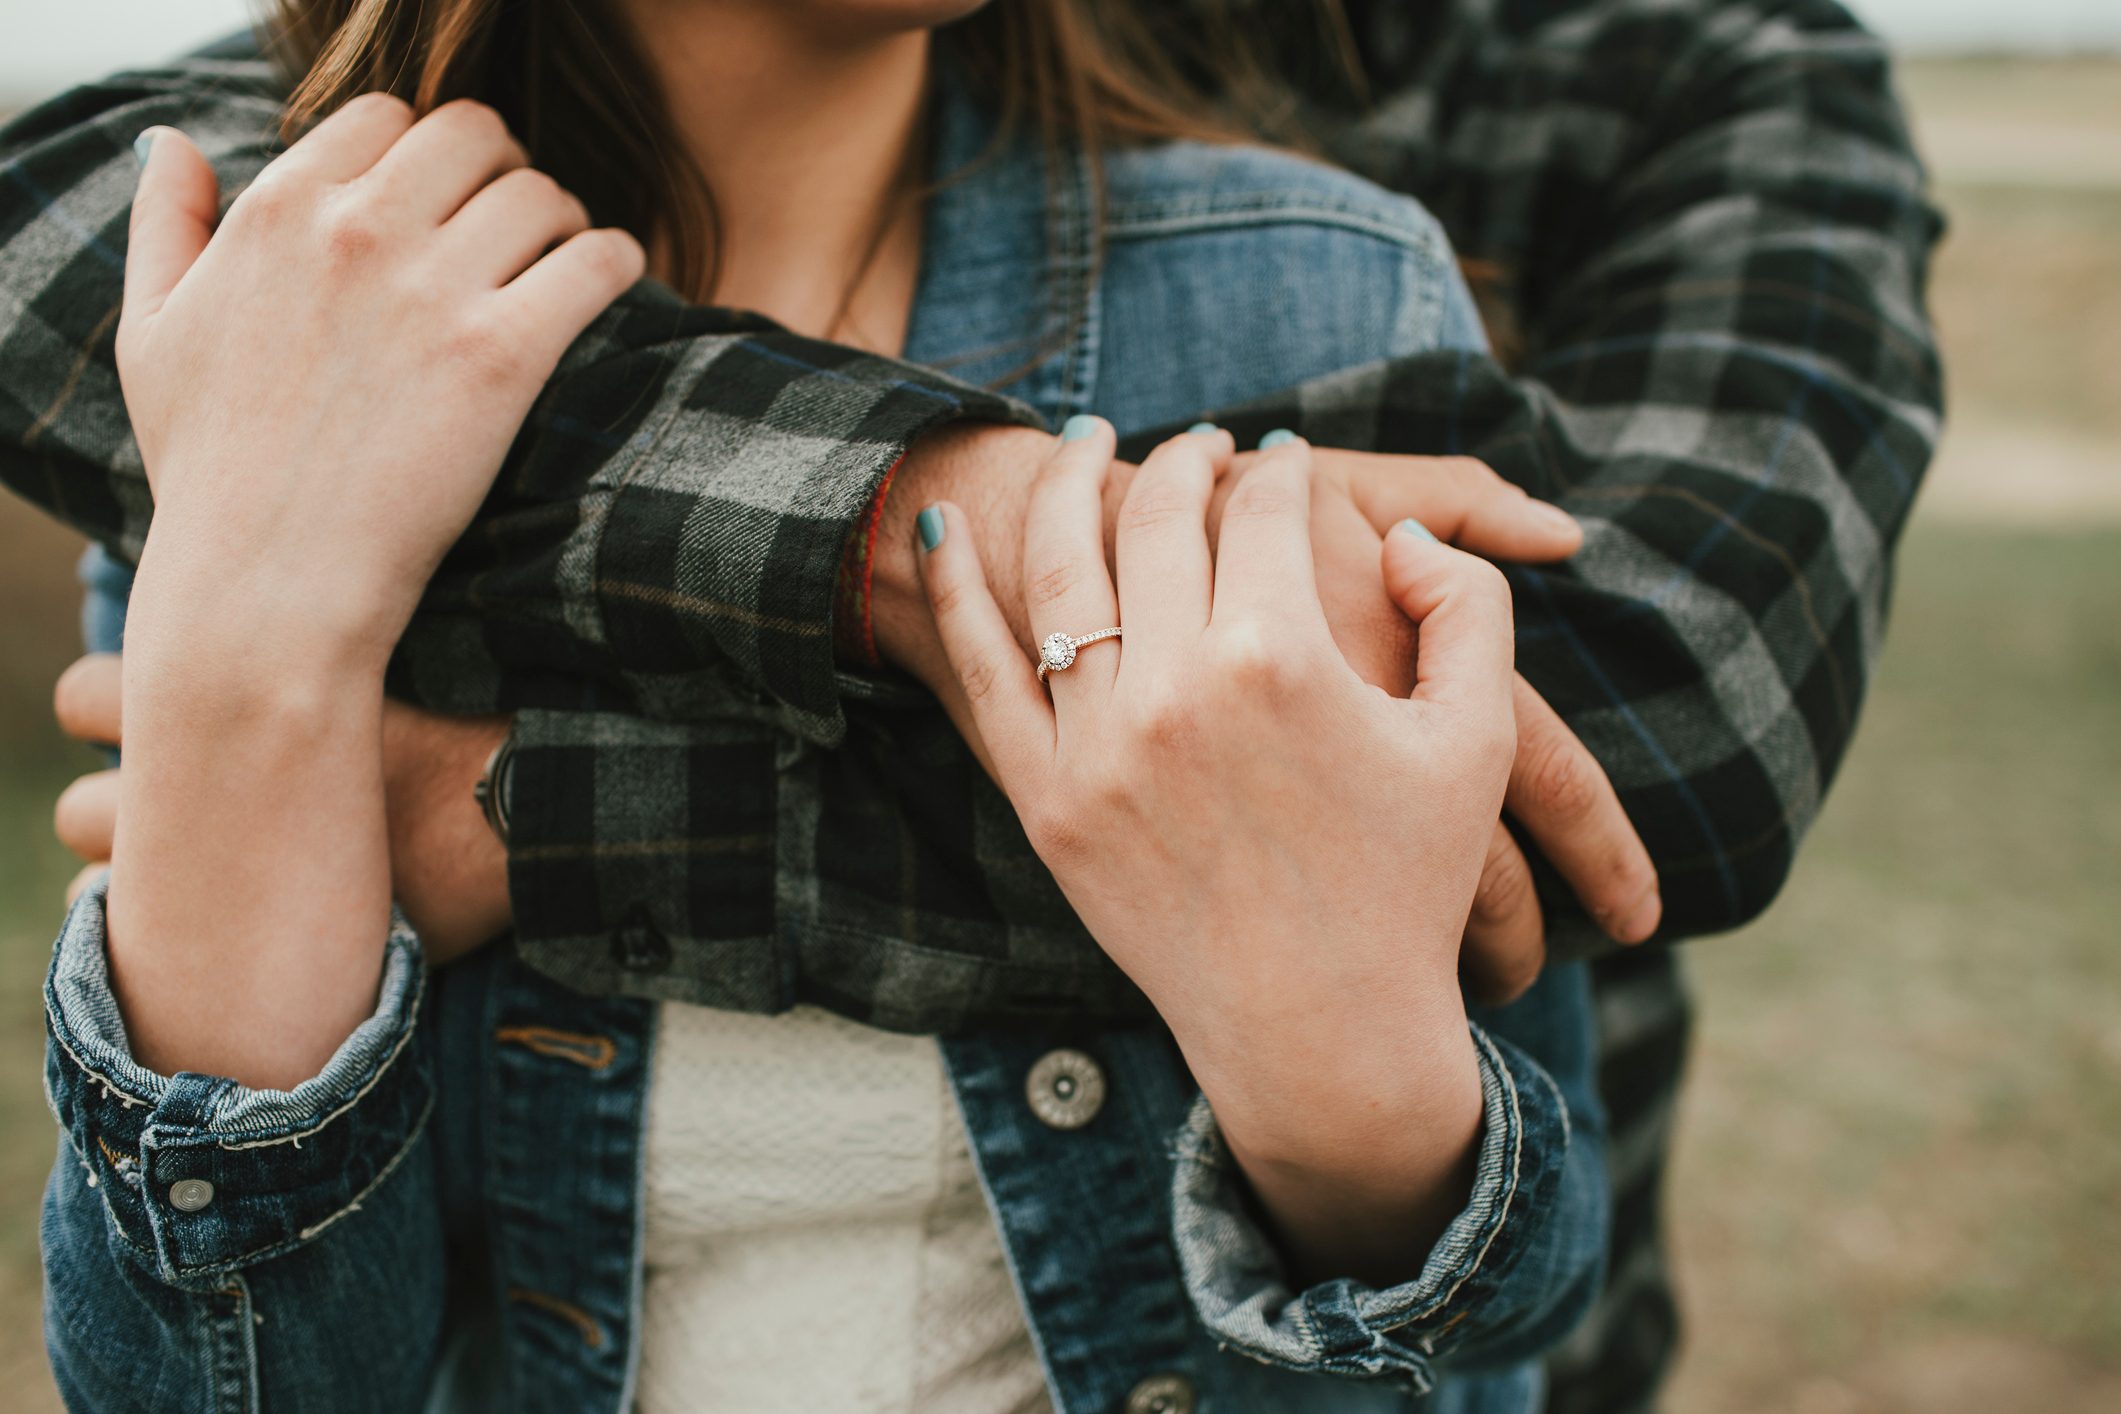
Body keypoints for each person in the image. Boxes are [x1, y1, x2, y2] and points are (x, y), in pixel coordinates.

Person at [1, 1, 1945, 1409]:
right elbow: (218, 1377)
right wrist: (251, 657)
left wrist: (523, 806)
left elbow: (1635, 785)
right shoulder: (275, 310)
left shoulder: (1315, 294)